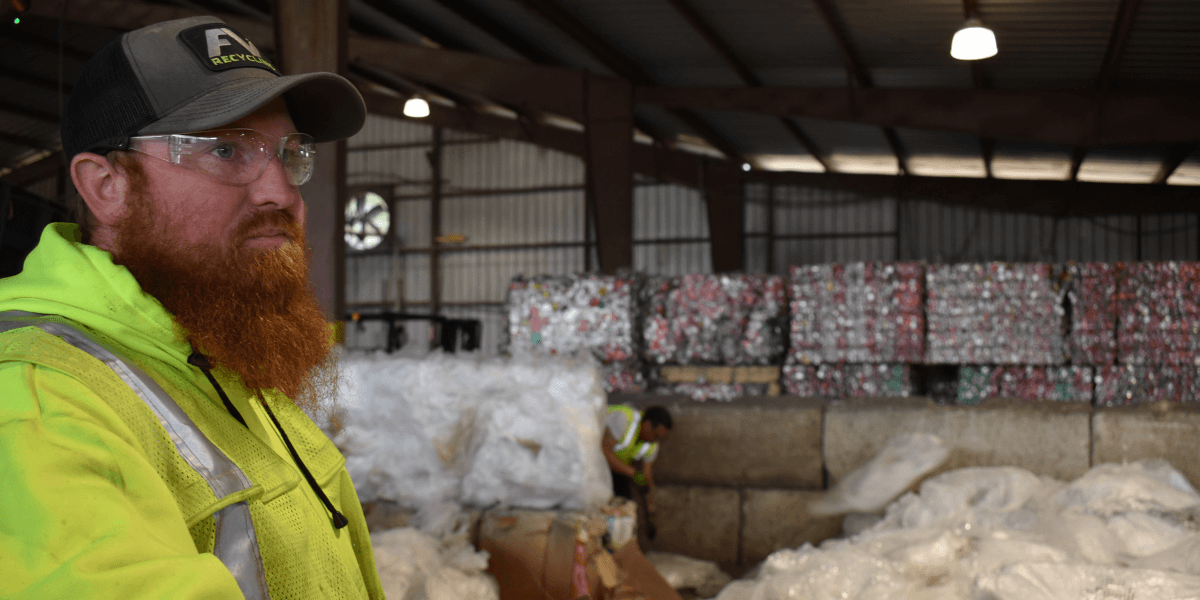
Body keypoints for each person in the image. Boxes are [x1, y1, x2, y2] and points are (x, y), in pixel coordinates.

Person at [0, 16, 384, 598]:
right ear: (107, 186)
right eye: (226, 149)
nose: (281, 192)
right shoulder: (40, 405)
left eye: (290, 153)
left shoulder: (221, 354)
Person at [602, 404, 672, 550]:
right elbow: (604, 451)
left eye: (660, 438)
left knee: (625, 505)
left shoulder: (651, 444)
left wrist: (650, 515)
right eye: (656, 435)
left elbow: (647, 479)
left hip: (617, 469)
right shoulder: (624, 420)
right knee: (598, 501)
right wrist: (632, 473)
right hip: (594, 463)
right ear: (647, 425)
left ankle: (616, 549)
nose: (655, 441)